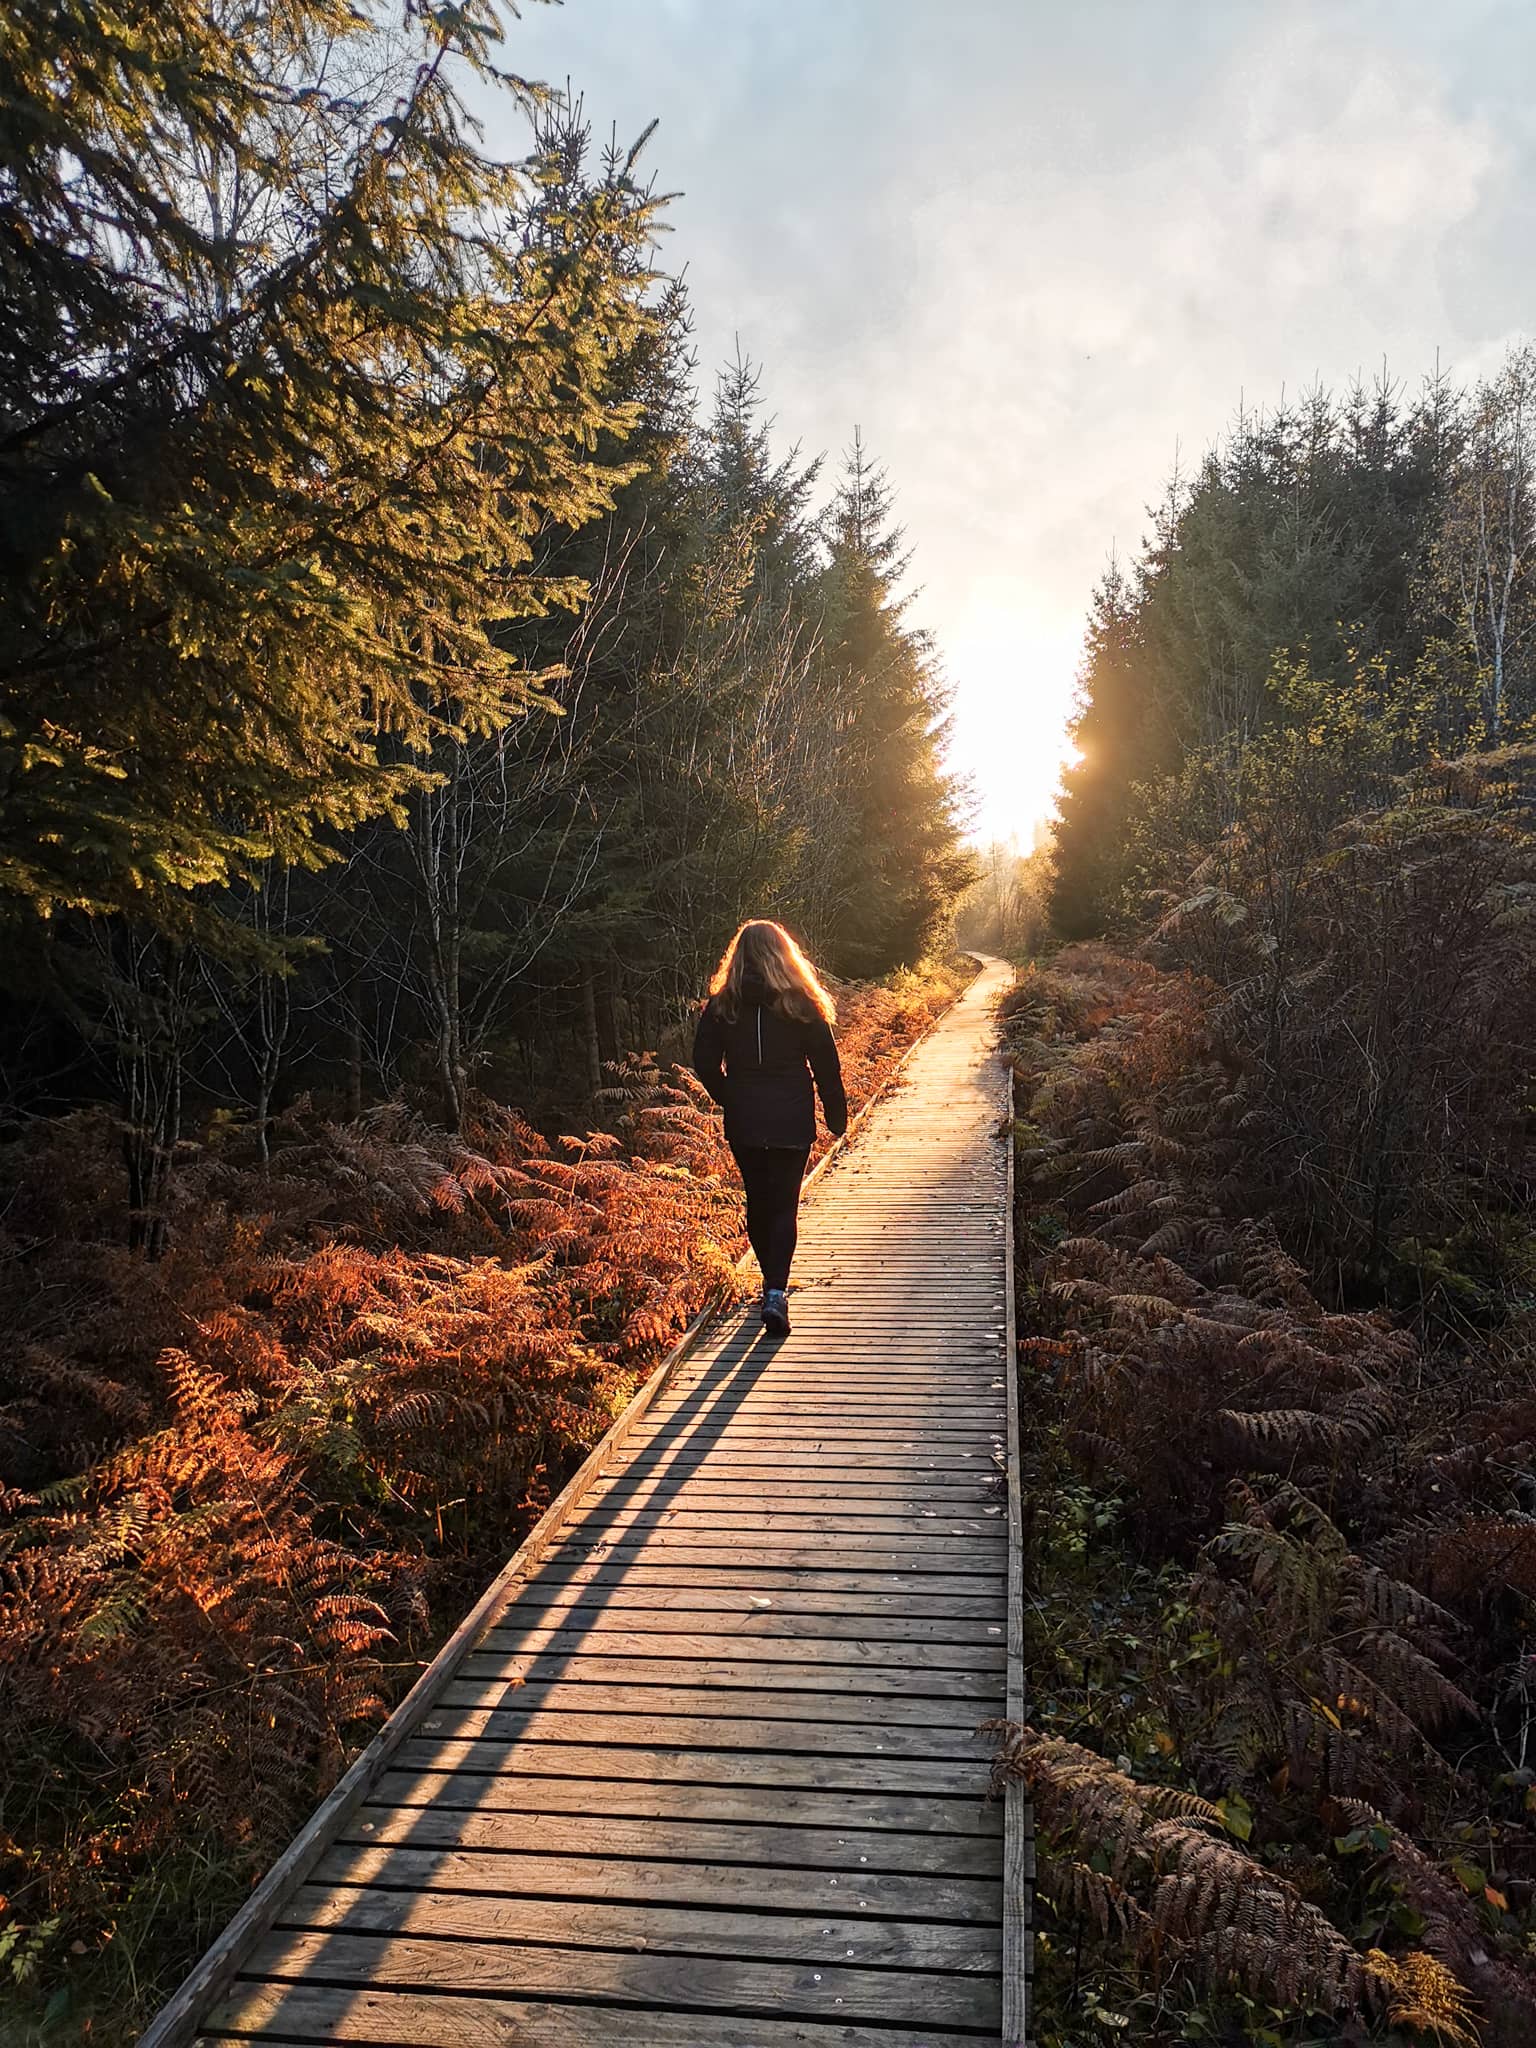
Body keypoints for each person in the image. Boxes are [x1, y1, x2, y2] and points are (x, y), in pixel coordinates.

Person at [692, 919, 847, 1337]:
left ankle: (769, 1283)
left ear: (737, 958)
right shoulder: (802, 1003)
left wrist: (729, 1095)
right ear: (785, 954)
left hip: (745, 1119)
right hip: (791, 1117)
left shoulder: (722, 1005)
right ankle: (776, 1290)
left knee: (758, 1202)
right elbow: (827, 1067)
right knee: (784, 1204)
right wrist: (837, 1116)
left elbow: (704, 1063)